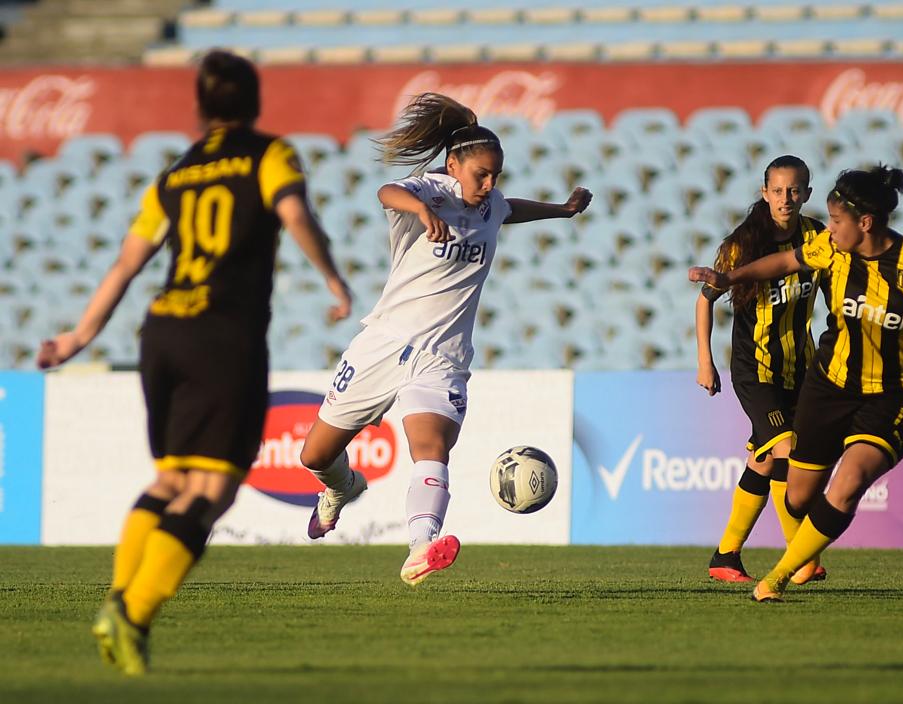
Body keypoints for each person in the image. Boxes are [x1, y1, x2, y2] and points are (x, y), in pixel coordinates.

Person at [36, 50, 352, 675]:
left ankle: (119, 602)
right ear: (254, 103)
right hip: (222, 332)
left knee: (171, 482)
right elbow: (293, 212)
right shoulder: (270, 154)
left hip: (163, 331)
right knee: (212, 489)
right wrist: (334, 279)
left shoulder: (174, 176)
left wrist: (78, 337)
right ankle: (131, 614)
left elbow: (128, 263)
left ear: (201, 107)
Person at [298, 92, 591, 586]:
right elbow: (386, 192)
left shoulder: (491, 203)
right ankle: (342, 488)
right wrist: (421, 209)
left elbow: (507, 208)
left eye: (497, 174)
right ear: (454, 165)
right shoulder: (430, 191)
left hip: (443, 356)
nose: (491, 184)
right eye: (482, 174)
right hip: (384, 344)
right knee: (314, 456)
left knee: (431, 446)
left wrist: (561, 211)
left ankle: (421, 546)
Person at [689, 165, 903, 602]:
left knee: (804, 468)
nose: (827, 226)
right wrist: (725, 294)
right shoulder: (802, 245)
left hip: (873, 389)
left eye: (834, 219)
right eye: (778, 190)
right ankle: (767, 554)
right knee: (788, 471)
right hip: (792, 377)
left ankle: (762, 566)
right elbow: (776, 266)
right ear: (765, 192)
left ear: (863, 223)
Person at [697, 155, 828, 584]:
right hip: (756, 369)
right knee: (788, 449)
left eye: (794, 190)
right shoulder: (745, 243)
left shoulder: (818, 239)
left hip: (800, 369)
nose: (785, 198)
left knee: (765, 459)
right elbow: (706, 298)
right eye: (777, 190)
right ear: (764, 193)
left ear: (807, 193)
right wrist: (705, 360)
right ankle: (802, 557)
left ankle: (726, 557)